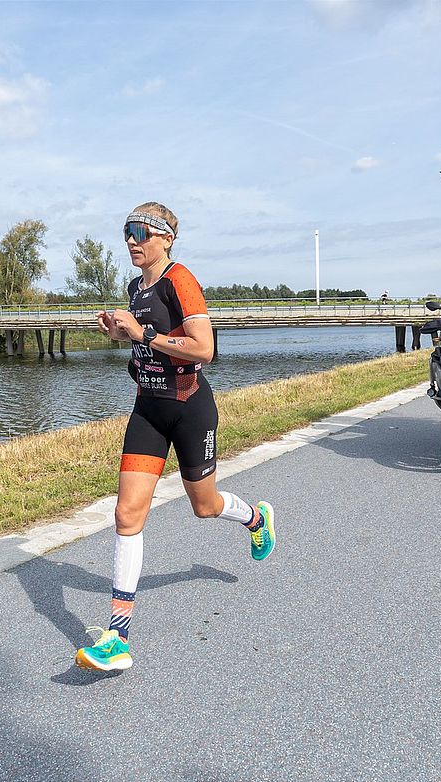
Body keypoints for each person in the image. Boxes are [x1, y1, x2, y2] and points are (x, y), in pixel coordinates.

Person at [77, 202, 276, 673]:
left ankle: (255, 517)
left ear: (165, 237)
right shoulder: (134, 286)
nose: (130, 240)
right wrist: (119, 332)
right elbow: (145, 339)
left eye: (139, 232)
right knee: (127, 513)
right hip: (147, 408)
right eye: (126, 231)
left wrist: (142, 332)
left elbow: (204, 348)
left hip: (189, 408)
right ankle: (117, 637)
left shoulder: (179, 280)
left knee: (203, 506)